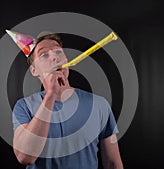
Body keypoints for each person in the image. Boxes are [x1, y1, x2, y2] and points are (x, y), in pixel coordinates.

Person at [8, 30, 123, 169]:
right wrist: (50, 95)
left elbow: (113, 163)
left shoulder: (99, 105)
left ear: (67, 61)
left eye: (58, 52)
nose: (55, 58)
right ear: (34, 70)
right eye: (44, 55)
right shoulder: (24, 106)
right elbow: (25, 157)